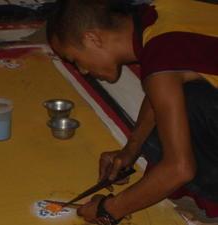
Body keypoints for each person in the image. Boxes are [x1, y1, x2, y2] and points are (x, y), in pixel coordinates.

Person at [46, 0, 218, 224]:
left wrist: (109, 209)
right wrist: (131, 149)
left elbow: (180, 168)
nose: (83, 70)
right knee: (169, 118)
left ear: (92, 38)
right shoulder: (160, 14)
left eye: (76, 60)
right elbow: (162, 90)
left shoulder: (161, 57)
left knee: (175, 131)